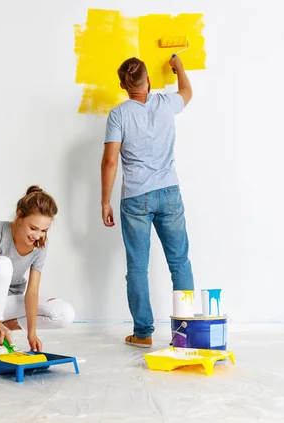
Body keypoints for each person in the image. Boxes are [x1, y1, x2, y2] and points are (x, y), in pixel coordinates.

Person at [100, 55, 194, 348]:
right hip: (169, 193)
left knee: (138, 268)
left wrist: (105, 201)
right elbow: (188, 93)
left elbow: (110, 161)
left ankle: (143, 334)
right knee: (179, 262)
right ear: (149, 80)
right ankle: (186, 332)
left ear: (122, 85)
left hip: (136, 198)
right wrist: (178, 67)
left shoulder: (118, 115)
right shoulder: (166, 103)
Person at [0, 185, 75, 355]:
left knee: (65, 313)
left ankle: (2, 329)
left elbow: (32, 292)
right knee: (3, 264)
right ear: (19, 216)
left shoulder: (40, 245)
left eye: (44, 230)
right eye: (33, 228)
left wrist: (31, 332)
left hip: (8, 302)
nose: (37, 236)